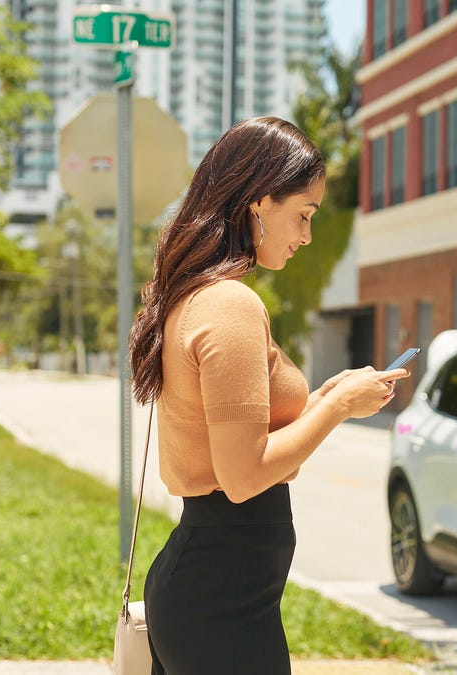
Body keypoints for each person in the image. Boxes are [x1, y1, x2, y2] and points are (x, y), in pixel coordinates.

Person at [127, 116, 407, 674]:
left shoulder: (198, 295)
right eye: (302, 215)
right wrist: (335, 407)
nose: (306, 236)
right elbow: (244, 476)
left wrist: (325, 399)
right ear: (258, 202)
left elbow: (237, 435)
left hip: (216, 587)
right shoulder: (229, 304)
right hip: (219, 598)